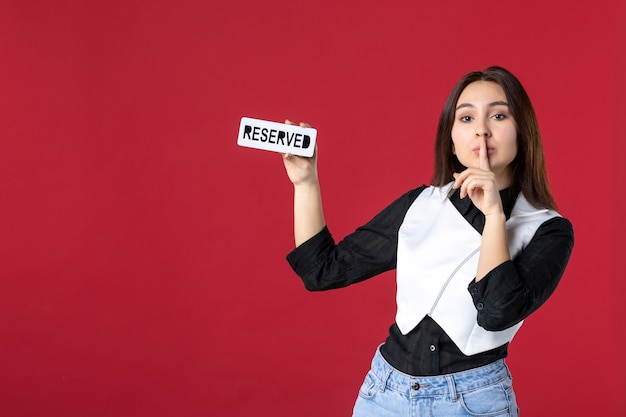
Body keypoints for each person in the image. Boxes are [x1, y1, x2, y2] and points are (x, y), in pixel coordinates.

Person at [281, 66, 574, 417]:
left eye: (498, 115)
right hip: (383, 395)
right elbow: (322, 271)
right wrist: (305, 183)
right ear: (451, 139)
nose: (481, 129)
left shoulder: (548, 230)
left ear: (522, 132)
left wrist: (495, 217)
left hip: (472, 403)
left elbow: (497, 313)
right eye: (466, 118)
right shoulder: (419, 205)